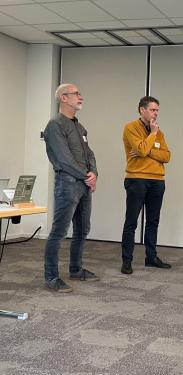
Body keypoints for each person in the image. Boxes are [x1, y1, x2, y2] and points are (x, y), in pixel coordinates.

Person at [43, 84, 98, 292]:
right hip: (67, 183)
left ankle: (76, 269)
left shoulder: (80, 127)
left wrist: (94, 173)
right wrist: (87, 177)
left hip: (83, 184)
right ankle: (51, 277)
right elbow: (64, 160)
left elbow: (89, 154)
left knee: (83, 229)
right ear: (63, 98)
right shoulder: (55, 125)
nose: (80, 97)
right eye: (76, 94)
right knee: (59, 231)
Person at [120, 96, 171, 274]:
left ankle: (151, 258)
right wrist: (151, 136)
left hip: (157, 180)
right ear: (142, 110)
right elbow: (140, 149)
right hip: (137, 179)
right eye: (152, 110)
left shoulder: (159, 132)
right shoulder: (131, 128)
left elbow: (167, 156)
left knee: (153, 221)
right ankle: (127, 261)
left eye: (157, 110)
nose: (156, 113)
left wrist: (147, 150)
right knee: (131, 221)